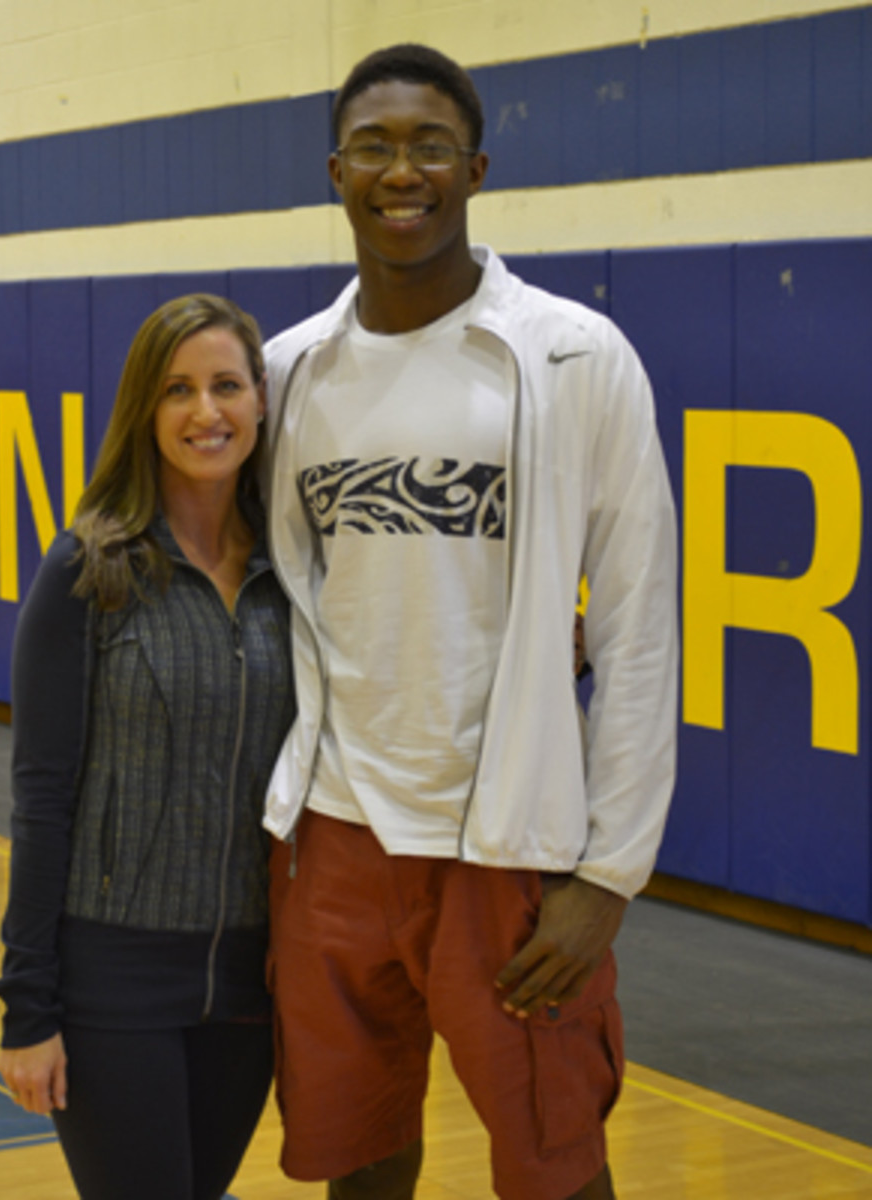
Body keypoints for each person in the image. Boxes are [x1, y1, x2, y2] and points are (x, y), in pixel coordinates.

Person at [260, 44, 678, 1200]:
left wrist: (613, 872)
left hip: (513, 851)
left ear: (476, 168)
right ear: (335, 171)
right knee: (359, 1154)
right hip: (337, 836)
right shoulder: (288, 371)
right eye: (378, 148)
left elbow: (641, 626)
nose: (405, 170)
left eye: (431, 145)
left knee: (554, 1164)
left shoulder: (575, 355)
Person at [0, 294, 295, 1200]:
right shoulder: (90, 570)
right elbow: (41, 800)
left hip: (249, 985)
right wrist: (28, 1009)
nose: (207, 412)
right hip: (110, 988)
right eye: (179, 390)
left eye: (227, 386)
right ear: (144, 409)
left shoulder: (294, 572)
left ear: (260, 403)